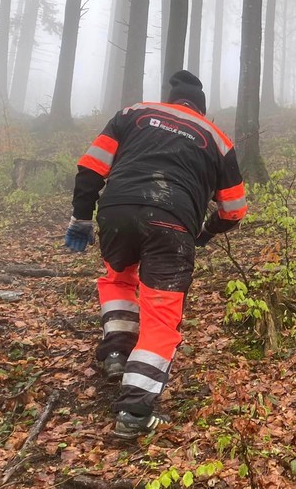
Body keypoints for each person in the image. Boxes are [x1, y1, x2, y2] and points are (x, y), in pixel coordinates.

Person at [64, 70, 247, 439]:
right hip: (173, 222)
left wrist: (81, 216)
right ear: (200, 109)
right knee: (161, 313)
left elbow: (91, 167)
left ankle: (117, 353)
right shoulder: (216, 138)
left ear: (170, 100)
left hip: (116, 211)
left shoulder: (133, 114)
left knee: (118, 279)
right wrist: (205, 233)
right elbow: (234, 209)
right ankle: (134, 410)